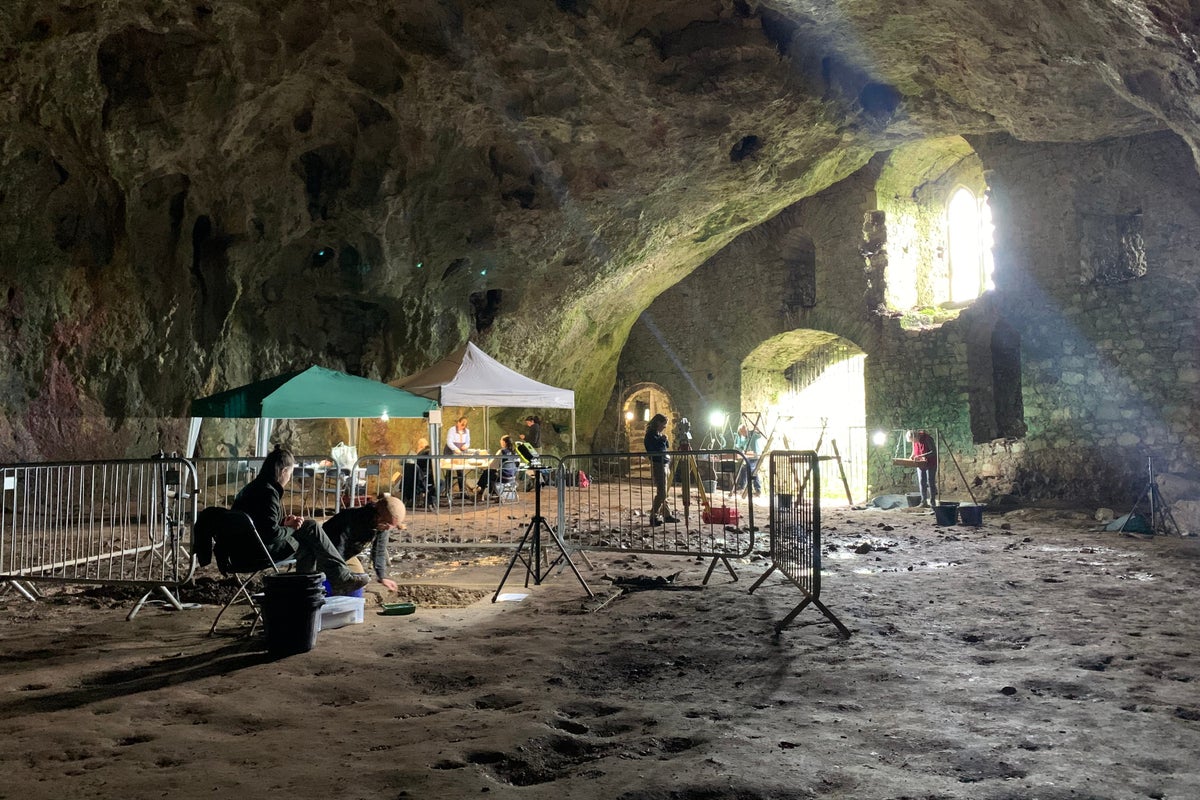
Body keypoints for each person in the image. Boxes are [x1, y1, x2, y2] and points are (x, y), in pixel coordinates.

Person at [231, 446, 369, 595]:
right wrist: (291, 527)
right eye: (290, 474)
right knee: (310, 544)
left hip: (241, 549)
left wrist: (284, 523)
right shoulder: (268, 493)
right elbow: (271, 534)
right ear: (283, 472)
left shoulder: (252, 488)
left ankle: (325, 584)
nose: (289, 478)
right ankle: (310, 591)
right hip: (256, 553)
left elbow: (260, 524)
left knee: (310, 526)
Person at [322, 494, 405, 594]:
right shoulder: (350, 520)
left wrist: (382, 577)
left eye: (391, 527)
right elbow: (338, 548)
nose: (387, 529)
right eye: (386, 524)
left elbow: (379, 550)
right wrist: (339, 574)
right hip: (323, 551)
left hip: (345, 555)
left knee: (358, 580)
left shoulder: (382, 526)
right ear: (377, 515)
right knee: (334, 579)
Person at [644, 413, 679, 526]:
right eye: (664, 424)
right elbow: (654, 447)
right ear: (658, 422)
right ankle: (653, 516)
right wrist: (662, 440)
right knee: (662, 492)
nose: (665, 427)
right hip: (658, 463)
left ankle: (666, 514)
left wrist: (664, 439)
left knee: (665, 491)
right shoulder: (650, 435)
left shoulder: (658, 434)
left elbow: (665, 446)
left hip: (664, 463)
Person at [734, 423, 765, 495]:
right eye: (741, 432)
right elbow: (741, 446)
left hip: (755, 457)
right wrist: (738, 447)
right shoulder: (744, 438)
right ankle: (757, 489)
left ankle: (743, 487)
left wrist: (757, 430)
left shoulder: (752, 434)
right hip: (749, 457)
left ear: (746, 429)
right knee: (752, 471)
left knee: (747, 469)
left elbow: (759, 435)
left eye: (743, 431)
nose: (743, 433)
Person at [910, 429, 938, 507]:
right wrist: (912, 455)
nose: (914, 442)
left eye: (914, 441)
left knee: (930, 481)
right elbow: (914, 449)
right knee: (922, 481)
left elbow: (933, 451)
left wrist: (921, 456)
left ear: (916, 436)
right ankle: (923, 501)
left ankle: (933, 502)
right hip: (921, 463)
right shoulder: (914, 440)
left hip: (930, 462)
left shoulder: (927, 439)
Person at [444, 416, 471, 493]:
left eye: (464, 425)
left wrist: (465, 446)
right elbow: (449, 442)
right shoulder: (452, 430)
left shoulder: (467, 431)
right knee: (449, 470)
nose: (462, 427)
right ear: (458, 422)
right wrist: (455, 449)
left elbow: (468, 442)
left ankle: (462, 492)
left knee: (460, 471)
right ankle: (448, 491)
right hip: (450, 451)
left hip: (460, 452)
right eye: (462, 425)